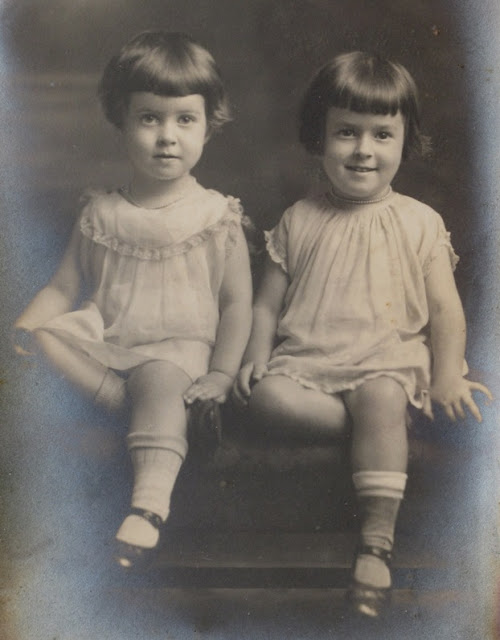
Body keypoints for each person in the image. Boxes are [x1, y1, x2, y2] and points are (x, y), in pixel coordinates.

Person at [233, 51, 492, 618]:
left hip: (384, 364)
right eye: (346, 132)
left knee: (379, 394)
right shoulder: (298, 219)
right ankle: (377, 427)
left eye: (382, 134)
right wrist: (254, 354)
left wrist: (449, 375)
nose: (363, 150)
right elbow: (265, 304)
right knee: (264, 397)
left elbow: (446, 311)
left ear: (405, 141)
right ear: (319, 137)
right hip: (310, 367)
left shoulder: (419, 221)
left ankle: (375, 544)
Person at [13, 31, 253, 569]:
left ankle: (148, 507)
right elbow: (63, 287)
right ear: (120, 120)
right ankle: (129, 402)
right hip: (110, 349)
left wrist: (221, 372)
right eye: (149, 119)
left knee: (161, 377)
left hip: (178, 354)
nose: (167, 137)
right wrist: (24, 328)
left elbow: (238, 303)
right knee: (46, 339)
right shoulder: (100, 212)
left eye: (184, 120)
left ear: (208, 126)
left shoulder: (216, 215)